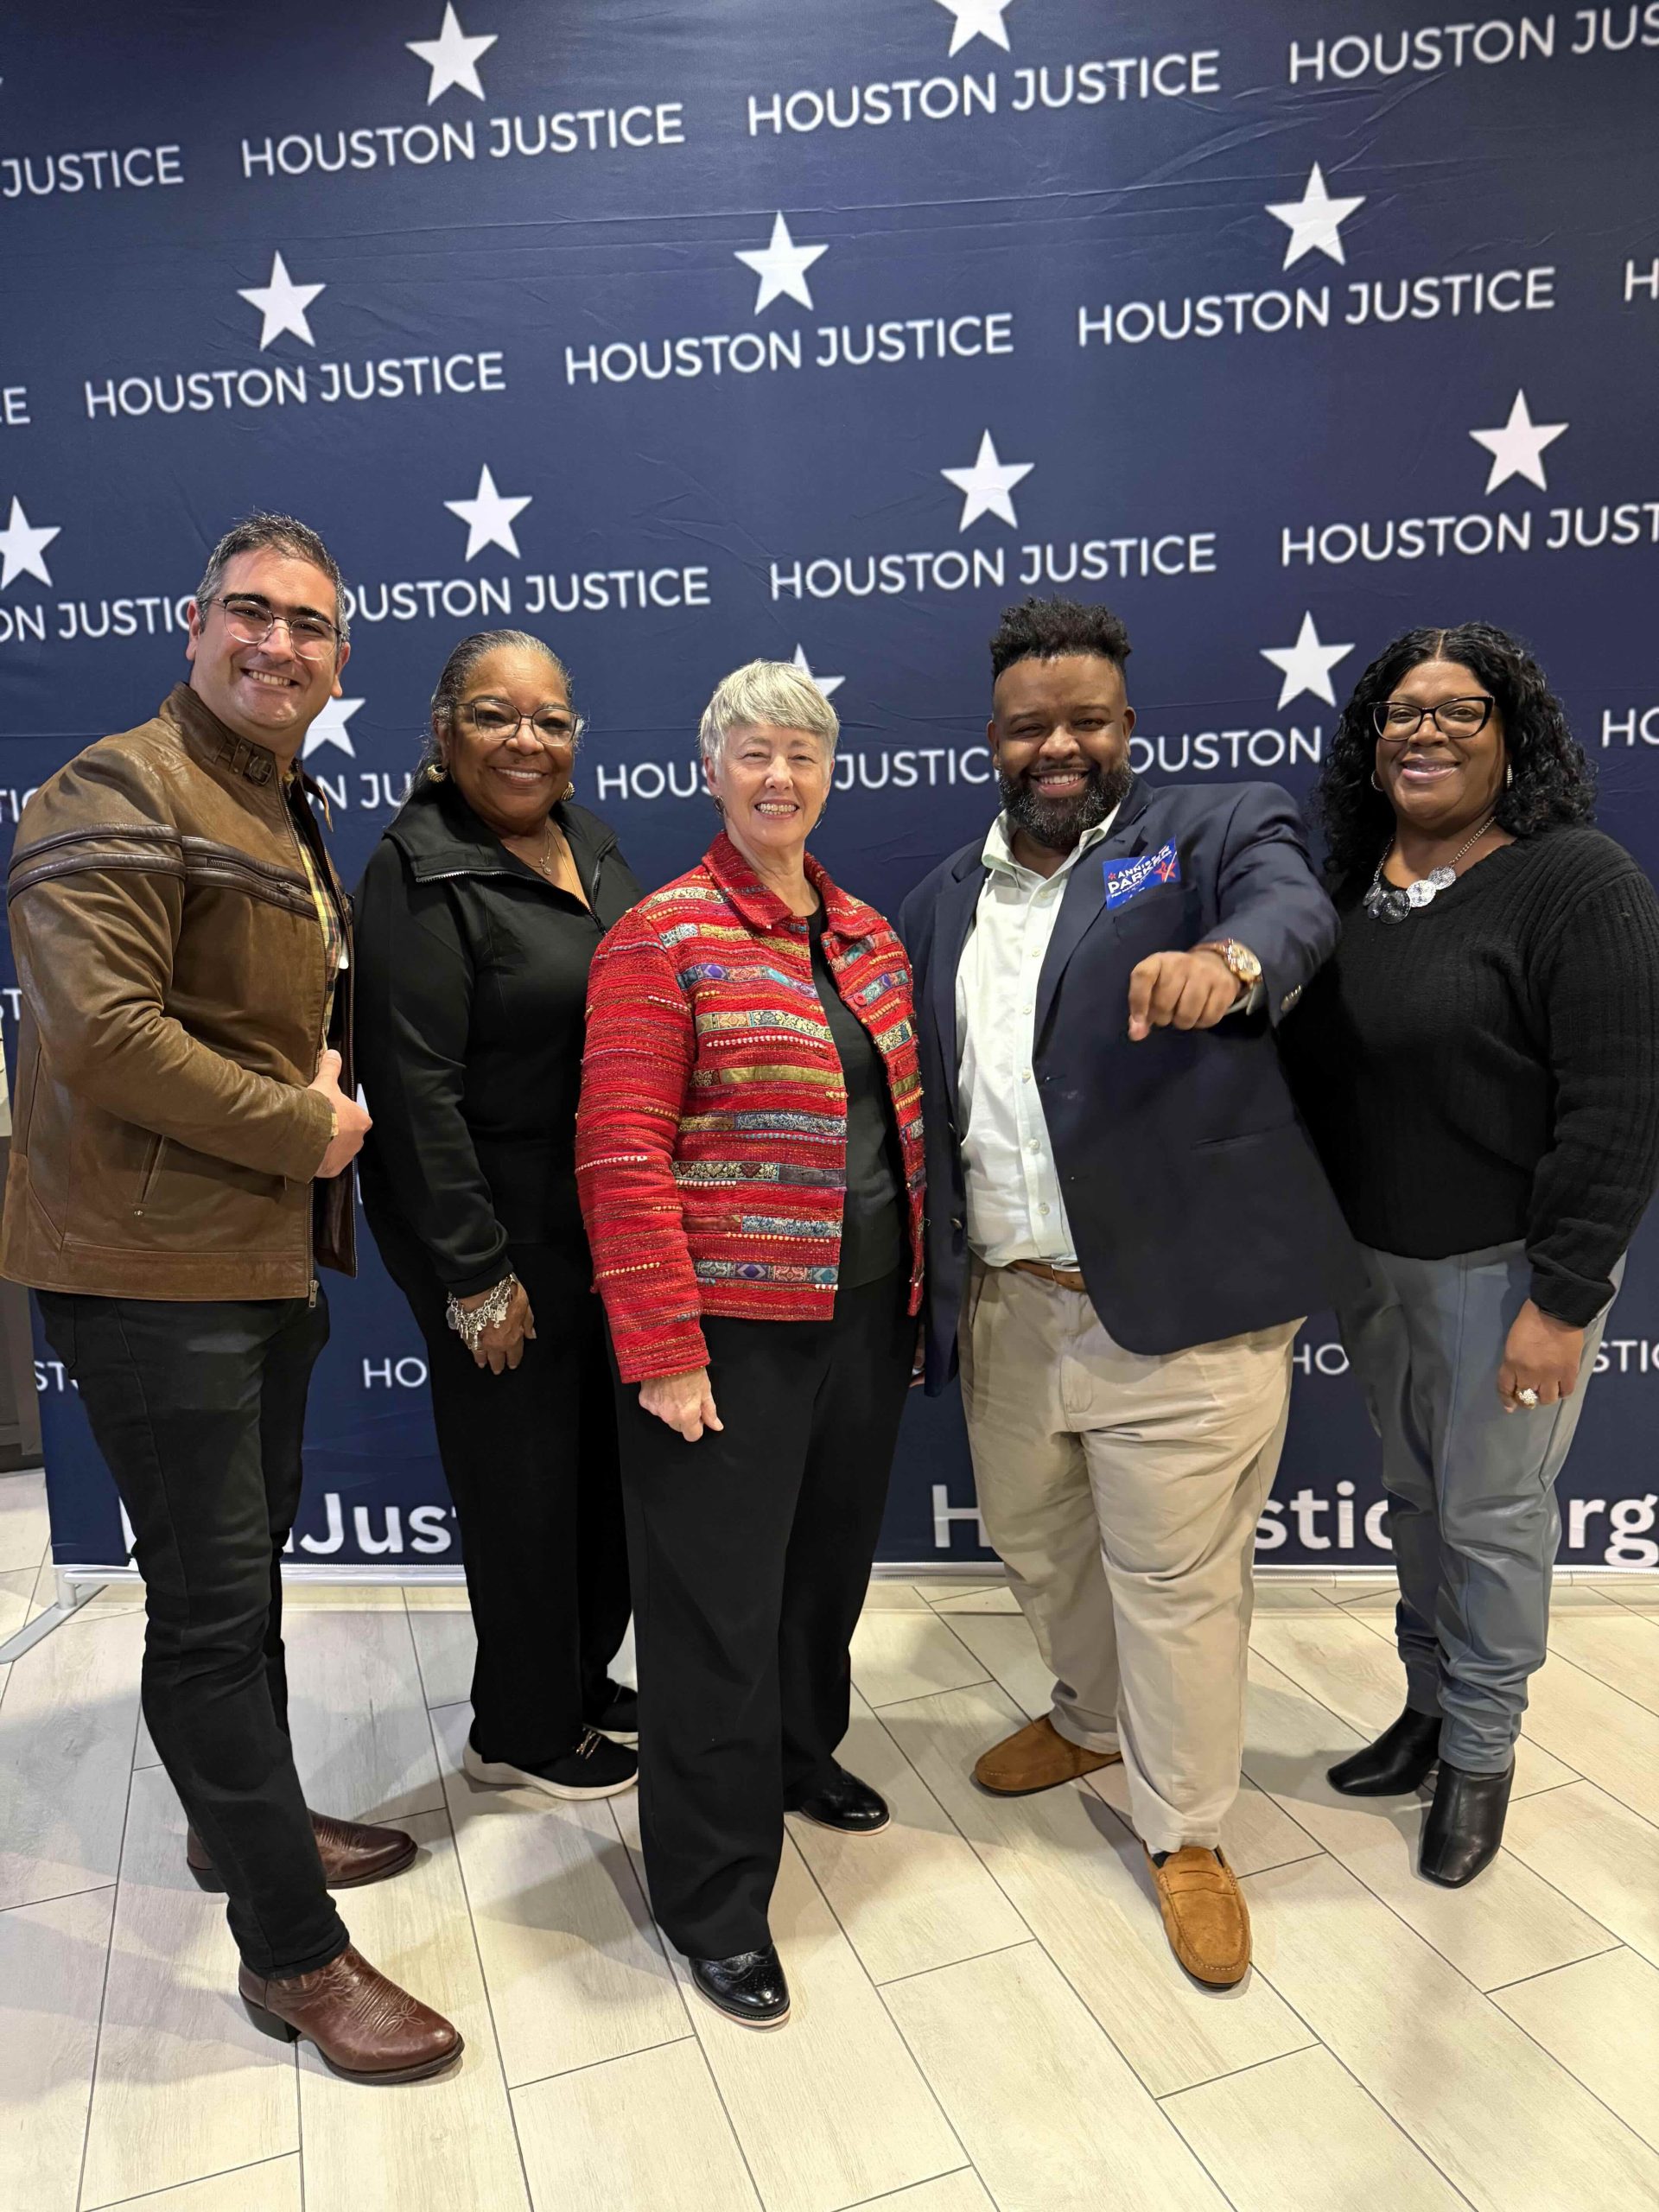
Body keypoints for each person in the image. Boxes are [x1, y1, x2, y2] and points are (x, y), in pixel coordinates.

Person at [0, 512, 461, 2082]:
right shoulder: (118, 787)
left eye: (313, 625)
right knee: (210, 1615)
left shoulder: (280, 802)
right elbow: (102, 1034)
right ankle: (293, 1959)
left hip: (252, 1260)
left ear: (342, 659)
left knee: (242, 1578)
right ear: (193, 627)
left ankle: (230, 1827)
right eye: (251, 615)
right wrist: (305, 1128)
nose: (280, 644)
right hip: (147, 1275)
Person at [899, 596, 1358, 1988]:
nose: (1060, 745)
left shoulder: (1209, 833)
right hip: (1009, 1305)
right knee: (1042, 1552)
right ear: (992, 741)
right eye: (1032, 724)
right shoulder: (940, 902)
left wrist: (1226, 963)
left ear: (1127, 729)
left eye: (1087, 721)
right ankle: (1091, 1720)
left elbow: (1293, 908)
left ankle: (1188, 1831)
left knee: (1174, 1584)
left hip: (1178, 1307)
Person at [1280, 621, 1659, 1885]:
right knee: (1418, 1506)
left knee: (1493, 1521)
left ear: (1515, 735)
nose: (1423, 731)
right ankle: (1428, 1713)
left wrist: (1564, 1298)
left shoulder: (1577, 882)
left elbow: (1620, 1105)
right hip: (1373, 1271)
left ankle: (1482, 1760)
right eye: (1399, 712)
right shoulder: (1347, 885)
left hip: (1507, 1277)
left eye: (1459, 711)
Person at [575, 660, 925, 2029]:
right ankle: (713, 1896)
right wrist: (662, 1344)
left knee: (821, 1577)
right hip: (721, 1336)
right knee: (713, 1614)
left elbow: (906, 1139)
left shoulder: (872, 936)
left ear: (832, 773)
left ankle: (798, 1755)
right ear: (709, 769)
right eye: (753, 755)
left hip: (860, 1319)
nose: (780, 777)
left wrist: (913, 1309)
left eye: (804, 755)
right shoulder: (661, 937)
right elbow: (618, 1154)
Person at [354, 630, 640, 1804]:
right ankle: (519, 1729)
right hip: (494, 1223)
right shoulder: (415, 870)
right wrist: (475, 1276)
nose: (527, 740)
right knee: (521, 1483)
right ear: (441, 730)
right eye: (494, 715)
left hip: (601, 1216)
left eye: (551, 719)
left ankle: (574, 1674)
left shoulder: (591, 839)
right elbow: (414, 1094)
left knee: (598, 1476)